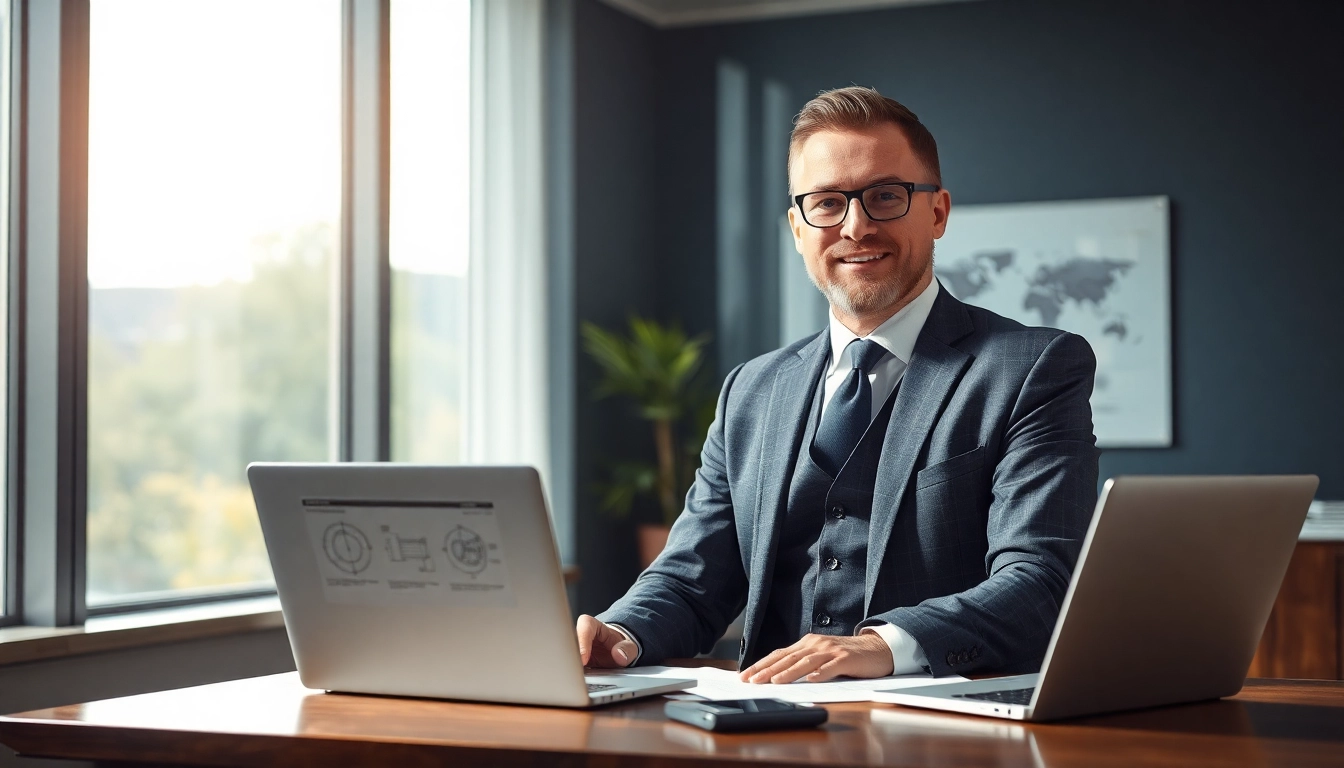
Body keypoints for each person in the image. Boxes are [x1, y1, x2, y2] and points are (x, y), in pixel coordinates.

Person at [577, 86, 1099, 683]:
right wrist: (618, 635)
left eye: (884, 196)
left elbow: (1041, 579)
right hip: (763, 726)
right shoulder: (750, 390)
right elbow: (691, 580)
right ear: (798, 228)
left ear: (937, 212)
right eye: (826, 203)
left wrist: (885, 646)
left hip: (950, 729)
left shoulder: (1034, 367)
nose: (855, 226)